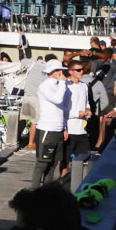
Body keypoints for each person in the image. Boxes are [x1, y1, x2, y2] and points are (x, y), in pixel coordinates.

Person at [31, 59, 68, 188]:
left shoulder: (59, 86)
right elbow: (57, 99)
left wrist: (64, 127)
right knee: (42, 164)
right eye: (58, 70)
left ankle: (46, 193)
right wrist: (63, 83)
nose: (61, 73)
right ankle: (33, 193)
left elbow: (62, 107)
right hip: (47, 129)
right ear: (52, 72)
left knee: (53, 164)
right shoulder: (45, 86)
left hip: (58, 129)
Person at [60, 60, 90, 176]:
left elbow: (86, 103)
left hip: (82, 129)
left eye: (82, 69)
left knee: (82, 161)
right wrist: (78, 114)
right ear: (71, 71)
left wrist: (88, 110)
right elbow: (63, 109)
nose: (82, 72)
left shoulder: (84, 86)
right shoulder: (66, 85)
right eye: (78, 70)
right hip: (70, 128)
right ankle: (61, 182)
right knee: (65, 162)